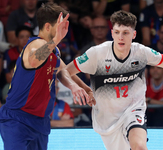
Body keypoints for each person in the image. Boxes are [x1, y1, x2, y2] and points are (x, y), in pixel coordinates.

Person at [59, 10, 163, 150]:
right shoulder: (96, 54)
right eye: (117, 32)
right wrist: (77, 87)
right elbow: (63, 71)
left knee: (139, 147)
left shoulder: (141, 52)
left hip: (133, 110)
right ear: (112, 33)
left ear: (134, 34)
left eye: (126, 32)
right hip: (107, 120)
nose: (121, 37)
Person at [0, 2, 93, 150]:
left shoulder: (54, 51)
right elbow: (34, 59)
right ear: (48, 27)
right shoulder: (34, 45)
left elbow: (63, 71)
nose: (64, 31)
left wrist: (83, 88)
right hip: (18, 119)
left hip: (40, 121)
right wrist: (56, 39)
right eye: (61, 27)